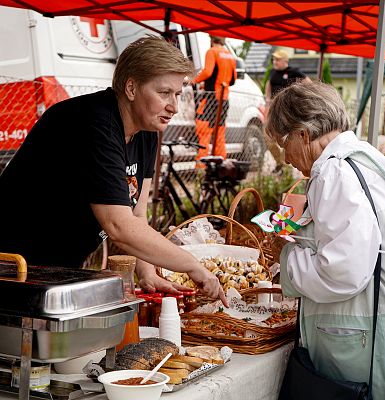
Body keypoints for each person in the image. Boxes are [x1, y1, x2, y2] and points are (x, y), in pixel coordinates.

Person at [0, 36, 227, 305]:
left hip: (58, 267)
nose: (174, 106)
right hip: (13, 264)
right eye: (164, 93)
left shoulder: (146, 131)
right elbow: (119, 225)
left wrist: (146, 270)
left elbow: (136, 214)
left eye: (178, 94)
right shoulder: (96, 123)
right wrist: (191, 265)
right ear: (131, 88)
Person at [266, 81, 385, 398]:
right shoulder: (368, 160)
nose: (285, 158)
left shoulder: (334, 171)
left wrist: (286, 257)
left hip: (358, 339)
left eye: (283, 143)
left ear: (303, 133)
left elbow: (342, 271)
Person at [264, 49, 311, 172]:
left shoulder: (294, 72)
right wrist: (267, 100)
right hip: (274, 110)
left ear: (285, 61)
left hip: (287, 111)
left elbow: (309, 83)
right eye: (274, 59)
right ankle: (280, 163)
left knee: (286, 139)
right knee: (267, 136)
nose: (275, 62)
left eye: (277, 60)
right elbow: (268, 85)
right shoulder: (273, 72)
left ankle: (287, 164)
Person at [192, 35, 237, 161]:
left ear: (211, 39)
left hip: (211, 98)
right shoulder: (230, 55)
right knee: (219, 134)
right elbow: (233, 80)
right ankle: (219, 164)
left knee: (204, 131)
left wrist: (192, 81)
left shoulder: (212, 52)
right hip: (224, 99)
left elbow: (207, 72)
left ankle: (201, 166)